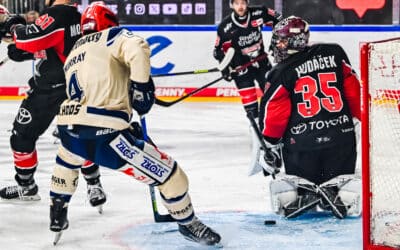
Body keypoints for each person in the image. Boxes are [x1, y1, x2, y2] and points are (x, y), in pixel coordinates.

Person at [48, 2, 221, 246]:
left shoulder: (74, 52)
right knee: (172, 176)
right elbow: (138, 47)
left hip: (68, 127)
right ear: (108, 21)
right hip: (105, 133)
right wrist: (140, 87)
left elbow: (99, 87)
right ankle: (188, 223)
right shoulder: (114, 35)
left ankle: (57, 209)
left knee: (67, 160)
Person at [0, 0, 106, 210]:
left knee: (24, 137)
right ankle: (93, 184)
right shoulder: (74, 16)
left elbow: (28, 37)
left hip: (54, 91)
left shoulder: (59, 14)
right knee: (76, 135)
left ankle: (28, 186)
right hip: (68, 88)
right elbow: (52, 46)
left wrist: (11, 23)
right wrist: (26, 51)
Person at [256, 16, 361, 219]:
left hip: (302, 147)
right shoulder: (334, 52)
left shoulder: (280, 72)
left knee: (295, 187)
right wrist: (356, 118)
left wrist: (269, 144)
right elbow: (354, 90)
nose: (277, 44)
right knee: (343, 178)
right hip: (341, 140)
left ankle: (304, 193)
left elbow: (275, 113)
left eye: (282, 40)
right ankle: (342, 194)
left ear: (296, 41)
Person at [213, 0, 282, 119]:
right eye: (236, 3)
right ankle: (255, 121)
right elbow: (217, 51)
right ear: (231, 5)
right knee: (251, 106)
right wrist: (224, 68)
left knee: (273, 94)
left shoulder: (259, 12)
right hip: (240, 66)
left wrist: (276, 41)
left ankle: (274, 121)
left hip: (261, 60)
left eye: (243, 3)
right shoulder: (225, 26)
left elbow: (280, 20)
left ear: (247, 3)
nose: (240, 6)